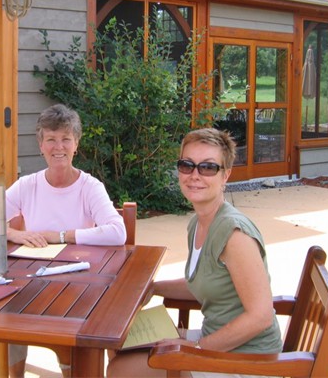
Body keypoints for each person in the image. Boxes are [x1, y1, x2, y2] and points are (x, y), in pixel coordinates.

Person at [107, 128, 282, 378]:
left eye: (208, 167)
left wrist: (196, 349)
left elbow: (261, 317)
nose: (195, 175)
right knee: (118, 346)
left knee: (121, 370)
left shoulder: (234, 234)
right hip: (217, 342)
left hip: (246, 361)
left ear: (226, 176)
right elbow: (203, 283)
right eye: (187, 165)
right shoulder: (199, 223)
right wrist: (154, 288)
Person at [0, 103, 126, 377]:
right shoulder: (27, 185)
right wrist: (15, 234)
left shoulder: (90, 187)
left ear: (76, 144)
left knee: (68, 329)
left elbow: (117, 231)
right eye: (51, 139)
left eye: (66, 139)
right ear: (41, 145)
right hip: (33, 284)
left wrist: (62, 236)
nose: (59, 147)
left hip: (78, 286)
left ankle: (72, 370)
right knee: (8, 317)